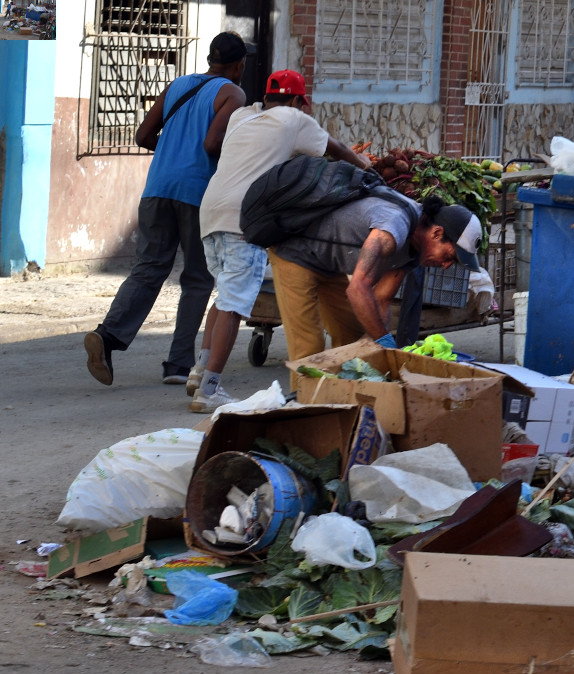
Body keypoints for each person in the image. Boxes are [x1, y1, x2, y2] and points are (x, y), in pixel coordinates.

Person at [186, 70, 372, 413]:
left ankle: (200, 371)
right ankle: (209, 390)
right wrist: (364, 164)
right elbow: (337, 149)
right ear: (301, 101)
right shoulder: (294, 118)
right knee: (235, 304)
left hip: (210, 210)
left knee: (224, 295)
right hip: (244, 216)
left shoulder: (243, 114)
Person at [83, 32, 247, 388]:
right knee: (197, 277)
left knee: (148, 268)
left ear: (209, 58)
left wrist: (172, 151)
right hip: (197, 191)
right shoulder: (232, 93)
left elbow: (143, 137)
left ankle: (108, 336)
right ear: (238, 65)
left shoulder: (177, 84)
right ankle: (178, 363)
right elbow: (212, 143)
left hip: (157, 188)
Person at [265, 192, 482, 391]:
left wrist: (378, 349)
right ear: (437, 233)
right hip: (294, 252)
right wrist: (384, 343)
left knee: (353, 344)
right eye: (449, 257)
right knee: (310, 353)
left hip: (327, 264)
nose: (446, 266)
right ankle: (307, 417)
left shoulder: (415, 252)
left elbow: (381, 298)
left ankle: (347, 408)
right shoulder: (393, 227)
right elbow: (358, 288)